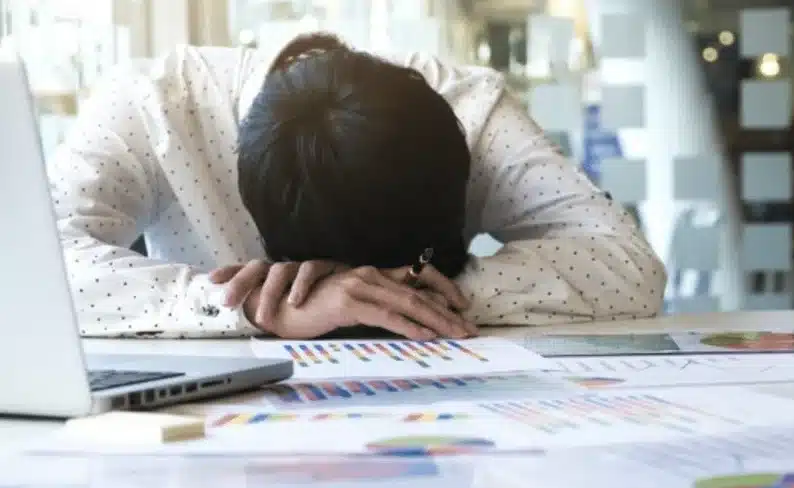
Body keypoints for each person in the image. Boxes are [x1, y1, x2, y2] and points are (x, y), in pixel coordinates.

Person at [49, 32, 666, 340]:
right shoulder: (155, 105)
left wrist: (415, 301)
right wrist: (259, 312)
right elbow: (21, 269)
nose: (353, 298)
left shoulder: (471, 112)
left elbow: (629, 267)